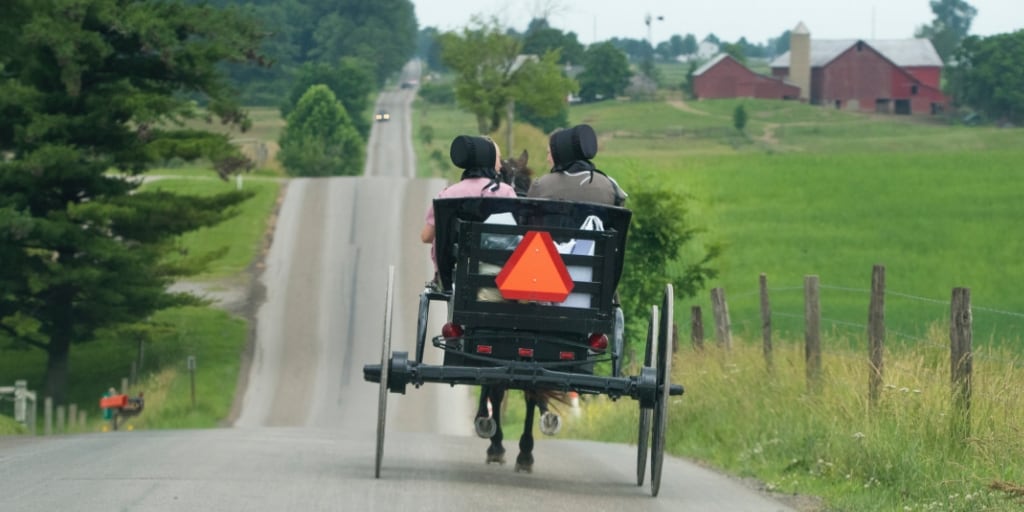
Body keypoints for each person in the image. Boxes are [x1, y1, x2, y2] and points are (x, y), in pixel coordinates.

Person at [421, 135, 517, 275]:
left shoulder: (448, 194)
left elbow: (426, 236)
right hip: (498, 273)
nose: (501, 165)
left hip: (454, 273)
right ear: (488, 159)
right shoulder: (505, 192)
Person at [527, 124, 626, 206]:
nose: (548, 159)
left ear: (561, 154)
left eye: (550, 153)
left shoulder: (541, 185)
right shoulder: (611, 187)